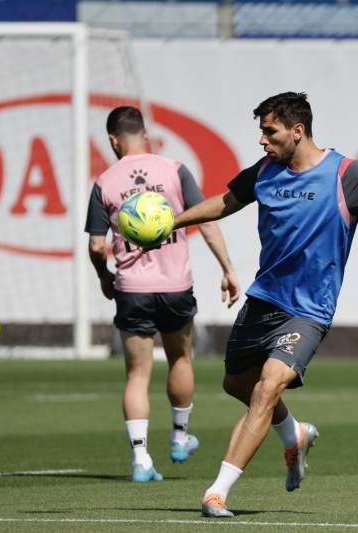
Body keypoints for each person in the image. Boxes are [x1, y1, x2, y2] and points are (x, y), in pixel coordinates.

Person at [169, 91, 358, 517]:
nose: (262, 140)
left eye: (270, 131)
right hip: (263, 300)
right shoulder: (265, 170)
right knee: (236, 384)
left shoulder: (347, 175)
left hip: (308, 311)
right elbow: (226, 202)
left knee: (267, 389)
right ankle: (293, 435)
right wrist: (173, 222)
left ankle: (216, 493)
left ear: (297, 131)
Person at [85, 105, 241, 482]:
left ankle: (141, 460)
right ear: (146, 135)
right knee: (180, 360)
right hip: (175, 287)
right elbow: (206, 220)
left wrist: (104, 276)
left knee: (137, 376)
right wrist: (228, 269)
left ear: (113, 140)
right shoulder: (174, 169)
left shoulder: (105, 182)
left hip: (132, 289)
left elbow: (95, 245)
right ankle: (180, 439)